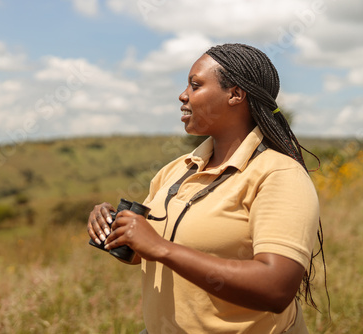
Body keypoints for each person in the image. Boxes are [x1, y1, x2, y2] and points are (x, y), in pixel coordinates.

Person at [87, 43, 325, 333]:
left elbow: (276, 288)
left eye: (195, 85)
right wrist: (115, 229)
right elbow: (141, 252)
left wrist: (162, 249)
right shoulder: (176, 171)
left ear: (235, 94)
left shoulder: (278, 175)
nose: (183, 95)